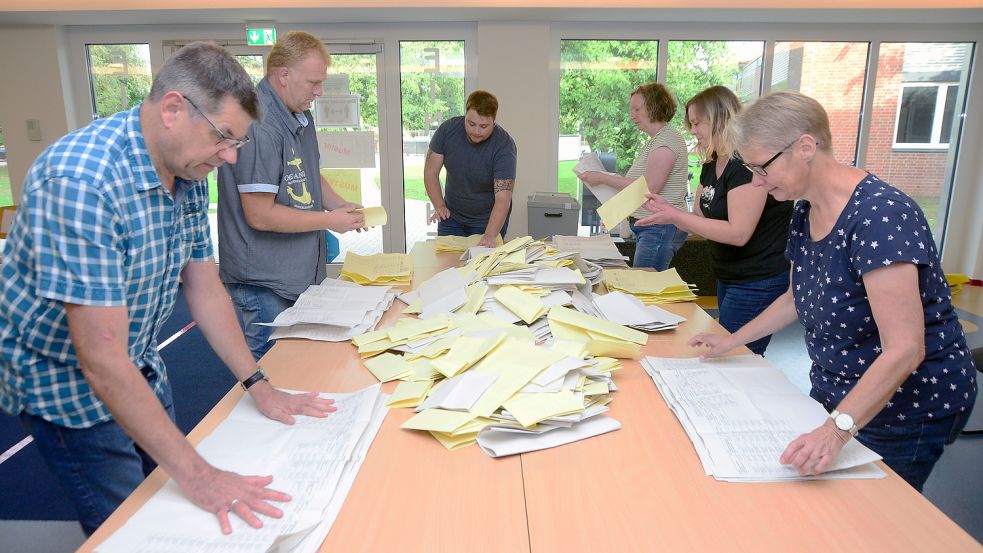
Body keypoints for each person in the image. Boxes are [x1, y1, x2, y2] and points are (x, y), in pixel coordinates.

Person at [0, 42, 337, 536]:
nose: (228, 157)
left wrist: (258, 385)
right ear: (175, 109)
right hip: (68, 385)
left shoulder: (189, 167)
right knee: (133, 523)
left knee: (168, 495)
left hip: (140, 361)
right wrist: (202, 476)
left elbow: (204, 287)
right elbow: (102, 360)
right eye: (224, 137)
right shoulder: (81, 181)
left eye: (236, 144)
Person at [690, 90, 976, 490]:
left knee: (871, 522)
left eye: (761, 167)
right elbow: (794, 297)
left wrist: (836, 430)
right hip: (839, 391)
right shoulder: (804, 207)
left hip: (906, 407)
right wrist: (731, 341)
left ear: (805, 147)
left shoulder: (880, 216)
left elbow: (905, 348)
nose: (756, 181)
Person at [218, 31, 365, 360]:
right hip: (264, 282)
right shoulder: (259, 125)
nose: (320, 91)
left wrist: (340, 206)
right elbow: (260, 214)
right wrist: (329, 221)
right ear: (283, 76)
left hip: (297, 275)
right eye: (313, 82)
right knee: (269, 371)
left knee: (298, 365)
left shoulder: (299, 114)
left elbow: (308, 175)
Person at [634, 86, 793, 355]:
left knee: (731, 355)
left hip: (758, 279)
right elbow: (698, 218)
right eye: (691, 124)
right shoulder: (711, 164)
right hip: (730, 275)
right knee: (725, 351)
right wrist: (668, 214)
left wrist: (675, 216)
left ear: (721, 118)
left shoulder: (744, 165)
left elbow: (738, 233)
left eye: (697, 123)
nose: (692, 131)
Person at [578, 82, 689, 271]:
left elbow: (648, 188)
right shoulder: (657, 140)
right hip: (652, 227)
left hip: (659, 228)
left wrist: (603, 178)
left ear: (654, 107)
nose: (632, 116)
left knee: (644, 287)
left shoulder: (667, 140)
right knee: (643, 284)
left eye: (637, 109)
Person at [425, 90, 517, 248]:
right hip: (451, 215)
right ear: (465, 115)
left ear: (493, 122)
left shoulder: (504, 146)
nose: (476, 131)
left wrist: (489, 235)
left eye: (483, 126)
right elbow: (430, 172)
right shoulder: (447, 131)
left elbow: (503, 199)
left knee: (481, 267)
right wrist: (439, 205)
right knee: (447, 265)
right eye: (471, 124)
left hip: (487, 220)